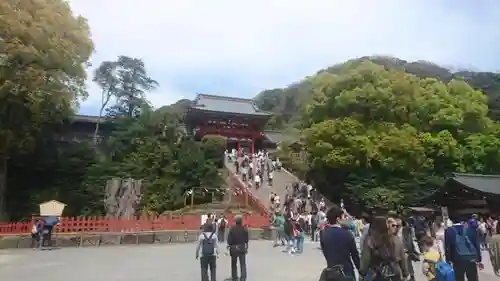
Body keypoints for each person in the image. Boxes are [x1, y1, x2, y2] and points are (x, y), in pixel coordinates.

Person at [360, 216, 408, 281]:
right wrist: (405, 273)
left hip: (378, 274)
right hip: (395, 273)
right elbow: (402, 259)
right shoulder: (397, 240)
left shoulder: (371, 240)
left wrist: (362, 273)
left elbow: (366, 259)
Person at [319, 204, 360, 281]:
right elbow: (355, 255)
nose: (345, 219)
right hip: (346, 272)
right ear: (338, 219)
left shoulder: (323, 234)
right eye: (344, 217)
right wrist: (360, 270)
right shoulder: (347, 234)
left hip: (330, 272)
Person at [227, 215, 248, 281]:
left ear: (235, 221)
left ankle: (234, 277)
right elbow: (246, 240)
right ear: (241, 221)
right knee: (243, 264)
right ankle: (243, 278)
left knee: (234, 264)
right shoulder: (244, 229)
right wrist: (246, 248)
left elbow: (229, 241)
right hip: (242, 248)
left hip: (234, 249)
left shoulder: (232, 229)